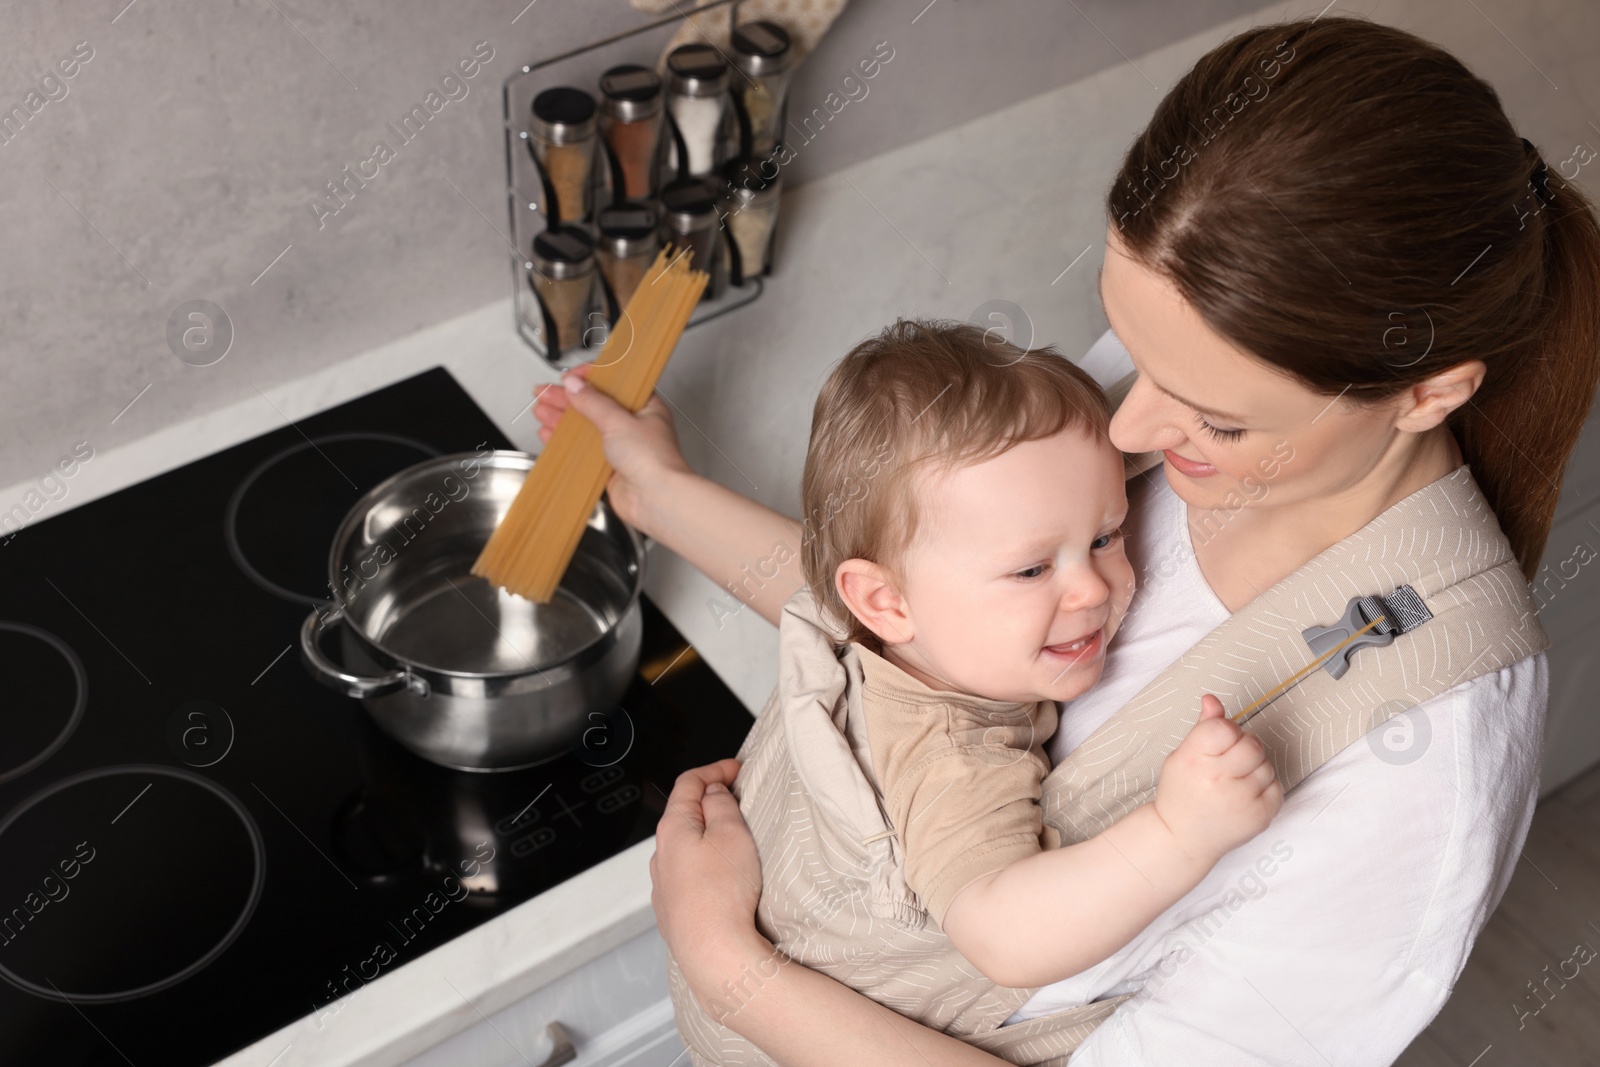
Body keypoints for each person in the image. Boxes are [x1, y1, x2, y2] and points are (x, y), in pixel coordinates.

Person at [534, 14, 1600, 1064]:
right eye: (1131, 343)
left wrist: (729, 965)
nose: (1126, 427)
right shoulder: (1189, 373)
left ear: (1426, 395)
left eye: (1214, 419)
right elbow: (924, 608)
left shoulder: (1421, 774)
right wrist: (663, 493)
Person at [658, 319, 1282, 1064]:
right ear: (886, 603)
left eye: (1106, 535)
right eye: (1030, 570)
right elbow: (1002, 935)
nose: (1092, 586)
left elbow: (811, 579)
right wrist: (1182, 831)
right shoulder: (951, 754)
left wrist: (653, 488)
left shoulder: (901, 638)